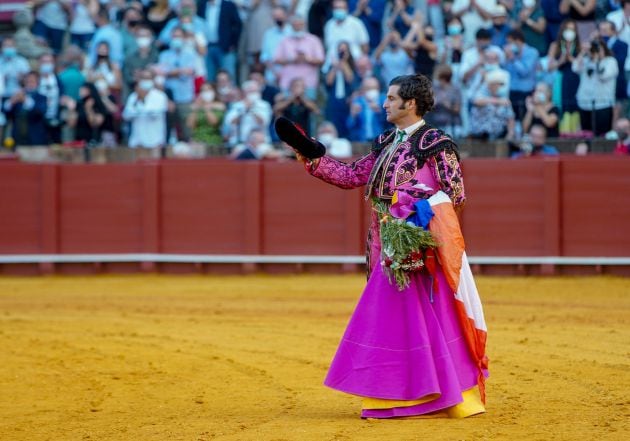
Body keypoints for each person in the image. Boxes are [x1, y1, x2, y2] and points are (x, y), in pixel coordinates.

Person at [284, 73, 488, 419]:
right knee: (396, 318)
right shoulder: (385, 141)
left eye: (391, 99)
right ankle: (407, 393)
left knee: (425, 317)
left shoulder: (435, 142)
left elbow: (455, 195)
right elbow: (351, 176)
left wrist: (412, 215)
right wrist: (311, 153)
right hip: (383, 239)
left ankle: (437, 394)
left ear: (410, 103)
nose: (384, 104)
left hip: (420, 243)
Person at [572, 36, 618, 136]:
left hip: (603, 104)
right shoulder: (586, 60)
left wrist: (597, 59)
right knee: (586, 134)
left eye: (598, 48)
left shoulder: (610, 61)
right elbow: (575, 68)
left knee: (601, 135)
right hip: (585, 103)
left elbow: (603, 76)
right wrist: (583, 52)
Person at [122, 70, 169, 149]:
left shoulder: (160, 96)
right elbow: (126, 116)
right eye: (143, 78)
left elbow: (155, 114)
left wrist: (143, 100)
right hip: (137, 140)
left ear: (153, 80)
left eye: (148, 78)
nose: (146, 81)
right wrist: (138, 100)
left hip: (155, 140)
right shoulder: (133, 96)